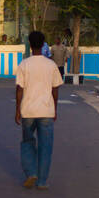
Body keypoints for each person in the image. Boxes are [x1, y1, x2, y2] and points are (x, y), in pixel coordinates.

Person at [15, 30, 63, 189]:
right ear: (43, 44)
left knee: (28, 142)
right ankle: (42, 181)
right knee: (46, 147)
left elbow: (19, 90)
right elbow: (55, 91)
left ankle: (31, 173)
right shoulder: (51, 65)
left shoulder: (24, 64)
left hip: (28, 111)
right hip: (46, 111)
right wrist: (55, 109)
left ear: (30, 44)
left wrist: (17, 111)